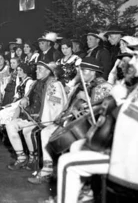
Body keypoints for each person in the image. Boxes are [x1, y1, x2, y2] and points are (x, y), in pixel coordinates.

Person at [56, 39, 138, 203]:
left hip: (136, 160)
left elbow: (132, 124)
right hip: (134, 151)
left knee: (67, 164)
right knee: (78, 147)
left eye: (136, 57)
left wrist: (118, 100)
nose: (131, 61)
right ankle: (87, 191)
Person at [28, 57, 112, 185]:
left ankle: (74, 180)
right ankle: (47, 169)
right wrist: (67, 112)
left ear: (94, 72)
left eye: (84, 71)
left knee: (67, 143)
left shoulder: (104, 87)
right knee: (45, 132)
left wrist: (86, 99)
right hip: (72, 121)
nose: (81, 74)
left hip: (88, 127)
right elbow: (72, 105)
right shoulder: (83, 85)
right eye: (81, 71)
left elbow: (99, 111)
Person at [5, 61, 67, 171]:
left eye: (39, 69)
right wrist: (26, 99)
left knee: (26, 131)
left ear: (48, 71)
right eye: (36, 68)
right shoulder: (36, 83)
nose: (36, 71)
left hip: (45, 119)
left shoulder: (54, 84)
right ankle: (22, 157)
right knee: (10, 125)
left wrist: (43, 118)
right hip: (32, 116)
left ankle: (33, 159)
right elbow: (31, 96)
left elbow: (57, 105)